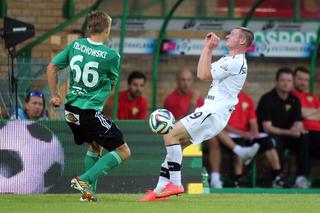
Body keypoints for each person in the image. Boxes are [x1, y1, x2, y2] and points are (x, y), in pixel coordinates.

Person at [138, 27, 260, 202]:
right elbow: (203, 71)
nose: (227, 36)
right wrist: (207, 48)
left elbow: (203, 74)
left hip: (213, 112)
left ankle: (176, 184)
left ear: (242, 41)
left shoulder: (236, 62)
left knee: (170, 134)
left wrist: (209, 49)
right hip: (212, 113)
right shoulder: (229, 59)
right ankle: (159, 190)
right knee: (176, 148)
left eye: (232, 35)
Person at [46, 11, 131, 202]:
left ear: (89, 28)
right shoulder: (111, 56)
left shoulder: (76, 45)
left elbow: (51, 67)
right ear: (107, 30)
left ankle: (87, 194)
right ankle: (83, 180)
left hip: (70, 112)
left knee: (95, 145)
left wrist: (54, 95)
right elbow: (112, 84)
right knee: (124, 151)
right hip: (89, 112)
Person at [209, 91, 283, 188]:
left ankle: (277, 177)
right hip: (228, 135)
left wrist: (254, 131)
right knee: (217, 131)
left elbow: (253, 121)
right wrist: (241, 133)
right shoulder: (220, 99)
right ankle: (237, 180)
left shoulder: (247, 99)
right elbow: (222, 125)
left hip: (244, 135)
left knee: (268, 142)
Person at [256, 67, 310, 188]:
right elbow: (267, 128)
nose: (286, 83)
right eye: (283, 80)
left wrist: (297, 129)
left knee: (305, 137)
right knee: (276, 140)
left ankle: (301, 177)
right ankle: (278, 178)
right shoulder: (267, 99)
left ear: (292, 82)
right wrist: (290, 132)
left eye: (289, 80)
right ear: (277, 82)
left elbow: (298, 122)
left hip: (288, 136)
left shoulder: (295, 100)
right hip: (270, 136)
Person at [292, 67, 320, 185]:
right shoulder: (291, 96)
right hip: (302, 134)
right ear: (294, 79)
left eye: (305, 80)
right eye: (300, 79)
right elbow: (300, 113)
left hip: (318, 133)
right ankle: (301, 177)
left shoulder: (313, 97)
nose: (303, 82)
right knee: (305, 138)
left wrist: (307, 113)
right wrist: (315, 111)